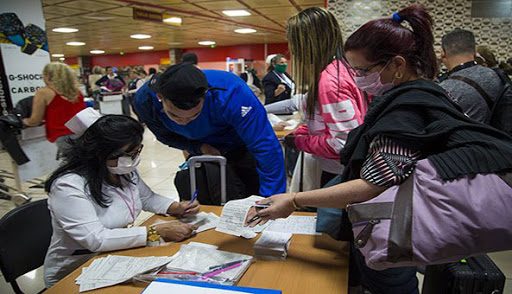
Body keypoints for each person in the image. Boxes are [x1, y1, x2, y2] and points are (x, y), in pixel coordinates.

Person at [247, 4, 512, 293]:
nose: (357, 77)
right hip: (406, 216)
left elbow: (372, 184)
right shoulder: (421, 91)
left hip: (396, 226)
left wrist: (294, 199)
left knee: (391, 283)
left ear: (397, 65)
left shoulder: (404, 111)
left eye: (362, 70)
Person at [43, 111, 199, 287]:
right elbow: (96, 239)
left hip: (115, 256)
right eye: (127, 154)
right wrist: (155, 232)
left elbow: (146, 197)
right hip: (75, 270)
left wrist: (175, 207)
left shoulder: (122, 170)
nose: (132, 160)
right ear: (98, 154)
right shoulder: (68, 186)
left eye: (137, 151)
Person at [134, 63, 286, 198]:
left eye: (194, 115)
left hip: (240, 144)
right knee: (205, 193)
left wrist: (272, 199)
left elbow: (265, 146)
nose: (184, 122)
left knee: (251, 188)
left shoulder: (232, 93)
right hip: (199, 149)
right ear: (160, 97)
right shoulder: (145, 101)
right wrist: (197, 147)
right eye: (174, 115)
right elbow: (165, 136)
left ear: (205, 97)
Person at [285, 7, 367, 187]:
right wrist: (306, 132)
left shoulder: (331, 81)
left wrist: (301, 141)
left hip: (339, 174)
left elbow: (343, 143)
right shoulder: (342, 69)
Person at [439, 28, 505, 123]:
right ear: (474, 52)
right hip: (498, 136)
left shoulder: (444, 89)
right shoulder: (494, 75)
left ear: (443, 53)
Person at [22, 62, 85, 155]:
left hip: (64, 137)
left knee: (74, 166)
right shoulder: (77, 92)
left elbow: (35, 120)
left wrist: (24, 121)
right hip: (83, 134)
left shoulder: (44, 92)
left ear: (48, 76)